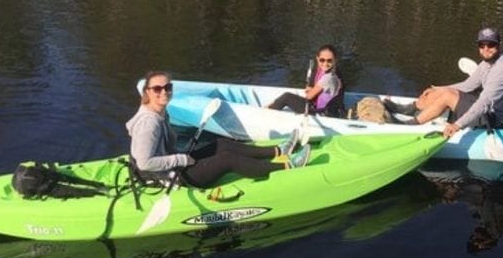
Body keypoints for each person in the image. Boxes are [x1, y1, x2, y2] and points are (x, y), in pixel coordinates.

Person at [127, 71, 311, 188]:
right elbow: (144, 163)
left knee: (222, 144)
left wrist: (181, 157)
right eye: (157, 88)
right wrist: (181, 158)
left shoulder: (160, 113)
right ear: (147, 92)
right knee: (227, 159)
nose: (164, 91)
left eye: (168, 87)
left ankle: (279, 150)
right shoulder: (148, 123)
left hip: (175, 165)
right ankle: (288, 166)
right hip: (173, 177)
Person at [385, 27, 503, 138]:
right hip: (490, 109)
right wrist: (437, 88)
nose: (486, 49)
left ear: (499, 45)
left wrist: (457, 125)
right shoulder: (488, 62)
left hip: (499, 119)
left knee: (447, 96)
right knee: (445, 92)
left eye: (491, 44)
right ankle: (409, 109)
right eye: (482, 45)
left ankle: (410, 126)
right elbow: (468, 85)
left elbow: (483, 103)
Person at [267, 44, 345, 117]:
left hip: (321, 113)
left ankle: (267, 112)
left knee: (286, 97)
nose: (325, 63)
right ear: (317, 59)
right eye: (322, 60)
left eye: (329, 60)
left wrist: (311, 90)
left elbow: (309, 96)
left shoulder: (328, 78)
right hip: (333, 109)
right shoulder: (336, 73)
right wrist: (314, 89)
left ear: (335, 60)